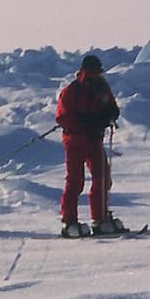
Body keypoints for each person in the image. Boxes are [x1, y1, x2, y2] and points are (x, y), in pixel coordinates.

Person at [55, 53, 122, 236]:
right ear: (85, 71)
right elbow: (63, 117)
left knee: (103, 179)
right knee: (75, 182)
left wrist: (111, 114)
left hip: (94, 140)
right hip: (75, 141)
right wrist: (87, 121)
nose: (97, 75)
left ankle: (99, 218)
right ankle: (69, 221)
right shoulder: (71, 91)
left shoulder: (102, 88)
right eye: (94, 72)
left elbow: (111, 107)